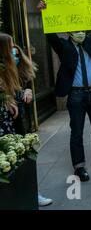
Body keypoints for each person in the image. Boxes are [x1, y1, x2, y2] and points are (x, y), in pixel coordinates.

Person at [37, 0, 91, 182]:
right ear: (69, 32)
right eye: (76, 31)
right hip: (76, 95)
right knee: (77, 132)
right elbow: (50, 34)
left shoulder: (90, 42)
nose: (80, 33)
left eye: (82, 30)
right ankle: (79, 166)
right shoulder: (63, 47)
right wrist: (45, 12)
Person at [11, 43, 53, 206]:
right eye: (11, 54)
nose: (15, 57)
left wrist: (25, 92)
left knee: (26, 158)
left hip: (20, 122)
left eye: (17, 54)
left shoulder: (19, 73)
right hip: (7, 125)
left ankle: (32, 193)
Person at [0, 33, 21, 136]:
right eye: (11, 46)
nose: (14, 49)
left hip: (7, 119)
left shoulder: (7, 68)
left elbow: (14, 92)